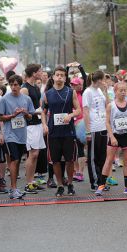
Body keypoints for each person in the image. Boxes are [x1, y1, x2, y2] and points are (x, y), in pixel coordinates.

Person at [42, 66, 81, 197]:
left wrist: (70, 115)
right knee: (56, 160)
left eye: (62, 75)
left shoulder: (71, 92)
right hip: (53, 131)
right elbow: (43, 111)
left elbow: (79, 110)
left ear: (65, 78)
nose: (59, 77)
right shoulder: (48, 94)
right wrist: (44, 125)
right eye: (57, 74)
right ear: (53, 77)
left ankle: (70, 183)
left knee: (70, 160)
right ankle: (59, 185)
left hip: (68, 131)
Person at [0, 74, 35, 199]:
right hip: (10, 134)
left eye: (16, 85)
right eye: (11, 84)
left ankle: (14, 188)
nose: (14, 87)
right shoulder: (4, 99)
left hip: (22, 134)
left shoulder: (26, 99)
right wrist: (12, 115)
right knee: (14, 159)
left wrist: (25, 113)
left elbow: (31, 116)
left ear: (20, 85)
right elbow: (0, 117)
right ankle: (13, 189)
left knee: (18, 160)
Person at [100, 83, 127, 194]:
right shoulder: (111, 105)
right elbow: (107, 123)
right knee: (109, 160)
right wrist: (112, 136)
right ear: (115, 91)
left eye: (124, 90)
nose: (123, 92)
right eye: (121, 90)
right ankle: (101, 185)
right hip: (115, 136)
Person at [20, 64, 47, 194]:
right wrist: (32, 113)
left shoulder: (36, 87)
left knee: (36, 155)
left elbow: (40, 107)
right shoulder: (24, 89)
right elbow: (21, 109)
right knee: (32, 154)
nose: (42, 73)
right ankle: (28, 184)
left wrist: (44, 124)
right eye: (40, 71)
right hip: (29, 125)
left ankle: (32, 181)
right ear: (34, 73)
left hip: (37, 124)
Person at [83, 70, 108, 194]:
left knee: (103, 156)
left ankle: (102, 181)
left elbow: (107, 105)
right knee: (93, 157)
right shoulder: (87, 92)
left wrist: (105, 91)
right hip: (93, 128)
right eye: (103, 79)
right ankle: (95, 182)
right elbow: (86, 111)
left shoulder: (99, 91)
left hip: (103, 126)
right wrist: (87, 131)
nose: (104, 81)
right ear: (98, 80)